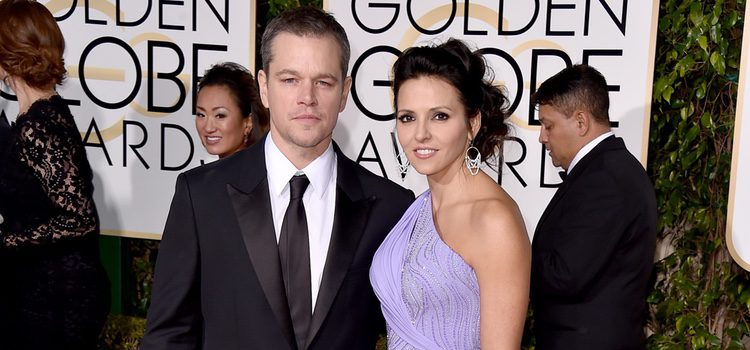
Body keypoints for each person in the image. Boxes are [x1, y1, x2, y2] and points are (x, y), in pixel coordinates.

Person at [141, 6, 414, 350]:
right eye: (290, 80)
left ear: (344, 92)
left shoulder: (390, 207)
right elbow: (168, 336)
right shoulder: (202, 196)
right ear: (264, 87)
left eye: (323, 82)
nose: (307, 97)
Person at [369, 38, 531, 349]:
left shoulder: (493, 219)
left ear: (473, 122)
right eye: (408, 117)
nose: (420, 133)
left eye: (440, 116)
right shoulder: (416, 210)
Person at [0, 1, 110, 349]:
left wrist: (6, 240)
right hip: (37, 288)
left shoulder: (39, 126)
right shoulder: (40, 117)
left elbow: (79, 220)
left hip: (57, 297)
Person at [530, 64, 656, 349]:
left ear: (580, 122)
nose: (542, 137)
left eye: (548, 125)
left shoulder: (605, 179)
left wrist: (502, 255)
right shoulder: (607, 171)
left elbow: (564, 275)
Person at [195, 61, 269, 158]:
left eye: (220, 115)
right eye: (201, 114)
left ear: (248, 122)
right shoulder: (207, 172)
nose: (208, 128)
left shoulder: (263, 170)